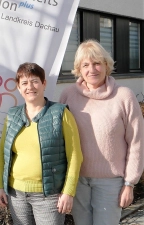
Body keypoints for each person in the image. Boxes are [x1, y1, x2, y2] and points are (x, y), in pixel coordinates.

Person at [59, 39, 144, 225]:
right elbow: (60, 139)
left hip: (111, 183)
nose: (92, 69)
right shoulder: (68, 95)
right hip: (77, 181)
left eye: (97, 63)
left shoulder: (124, 96)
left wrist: (130, 183)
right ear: (79, 69)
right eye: (86, 65)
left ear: (106, 65)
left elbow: (137, 141)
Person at [0, 62, 83, 225]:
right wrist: (0, 186)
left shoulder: (60, 113)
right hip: (16, 195)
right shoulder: (12, 115)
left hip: (48, 196)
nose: (30, 87)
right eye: (24, 83)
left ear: (44, 84)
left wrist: (68, 192)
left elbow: (75, 156)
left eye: (35, 81)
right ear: (19, 87)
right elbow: (3, 153)